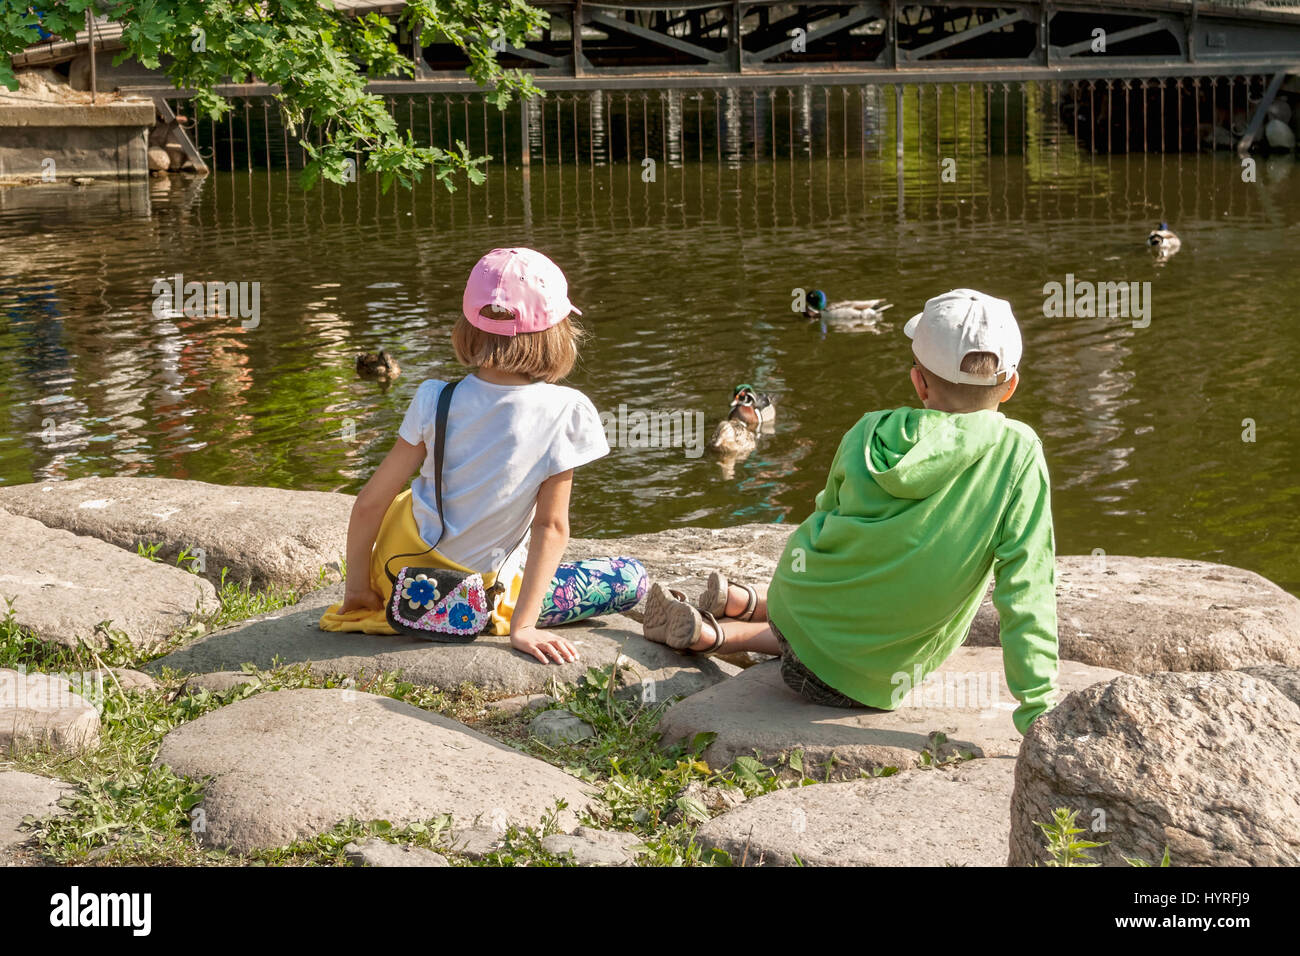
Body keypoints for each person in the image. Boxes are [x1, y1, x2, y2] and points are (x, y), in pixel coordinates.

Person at [642, 289, 1059, 733]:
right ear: (1010, 386)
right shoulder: (1019, 454)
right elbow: (1027, 589)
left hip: (799, 606)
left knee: (818, 613)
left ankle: (745, 604)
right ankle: (717, 633)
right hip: (856, 684)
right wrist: (1038, 710)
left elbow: (826, 516)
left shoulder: (869, 430)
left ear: (919, 382)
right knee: (852, 636)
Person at [320, 247, 647, 664]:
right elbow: (552, 525)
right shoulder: (566, 410)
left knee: (406, 500)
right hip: (483, 594)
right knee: (631, 578)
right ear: (557, 333)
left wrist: (358, 590)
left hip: (400, 582)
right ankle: (509, 609)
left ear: (468, 326)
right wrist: (524, 626)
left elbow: (370, 502)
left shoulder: (435, 397)